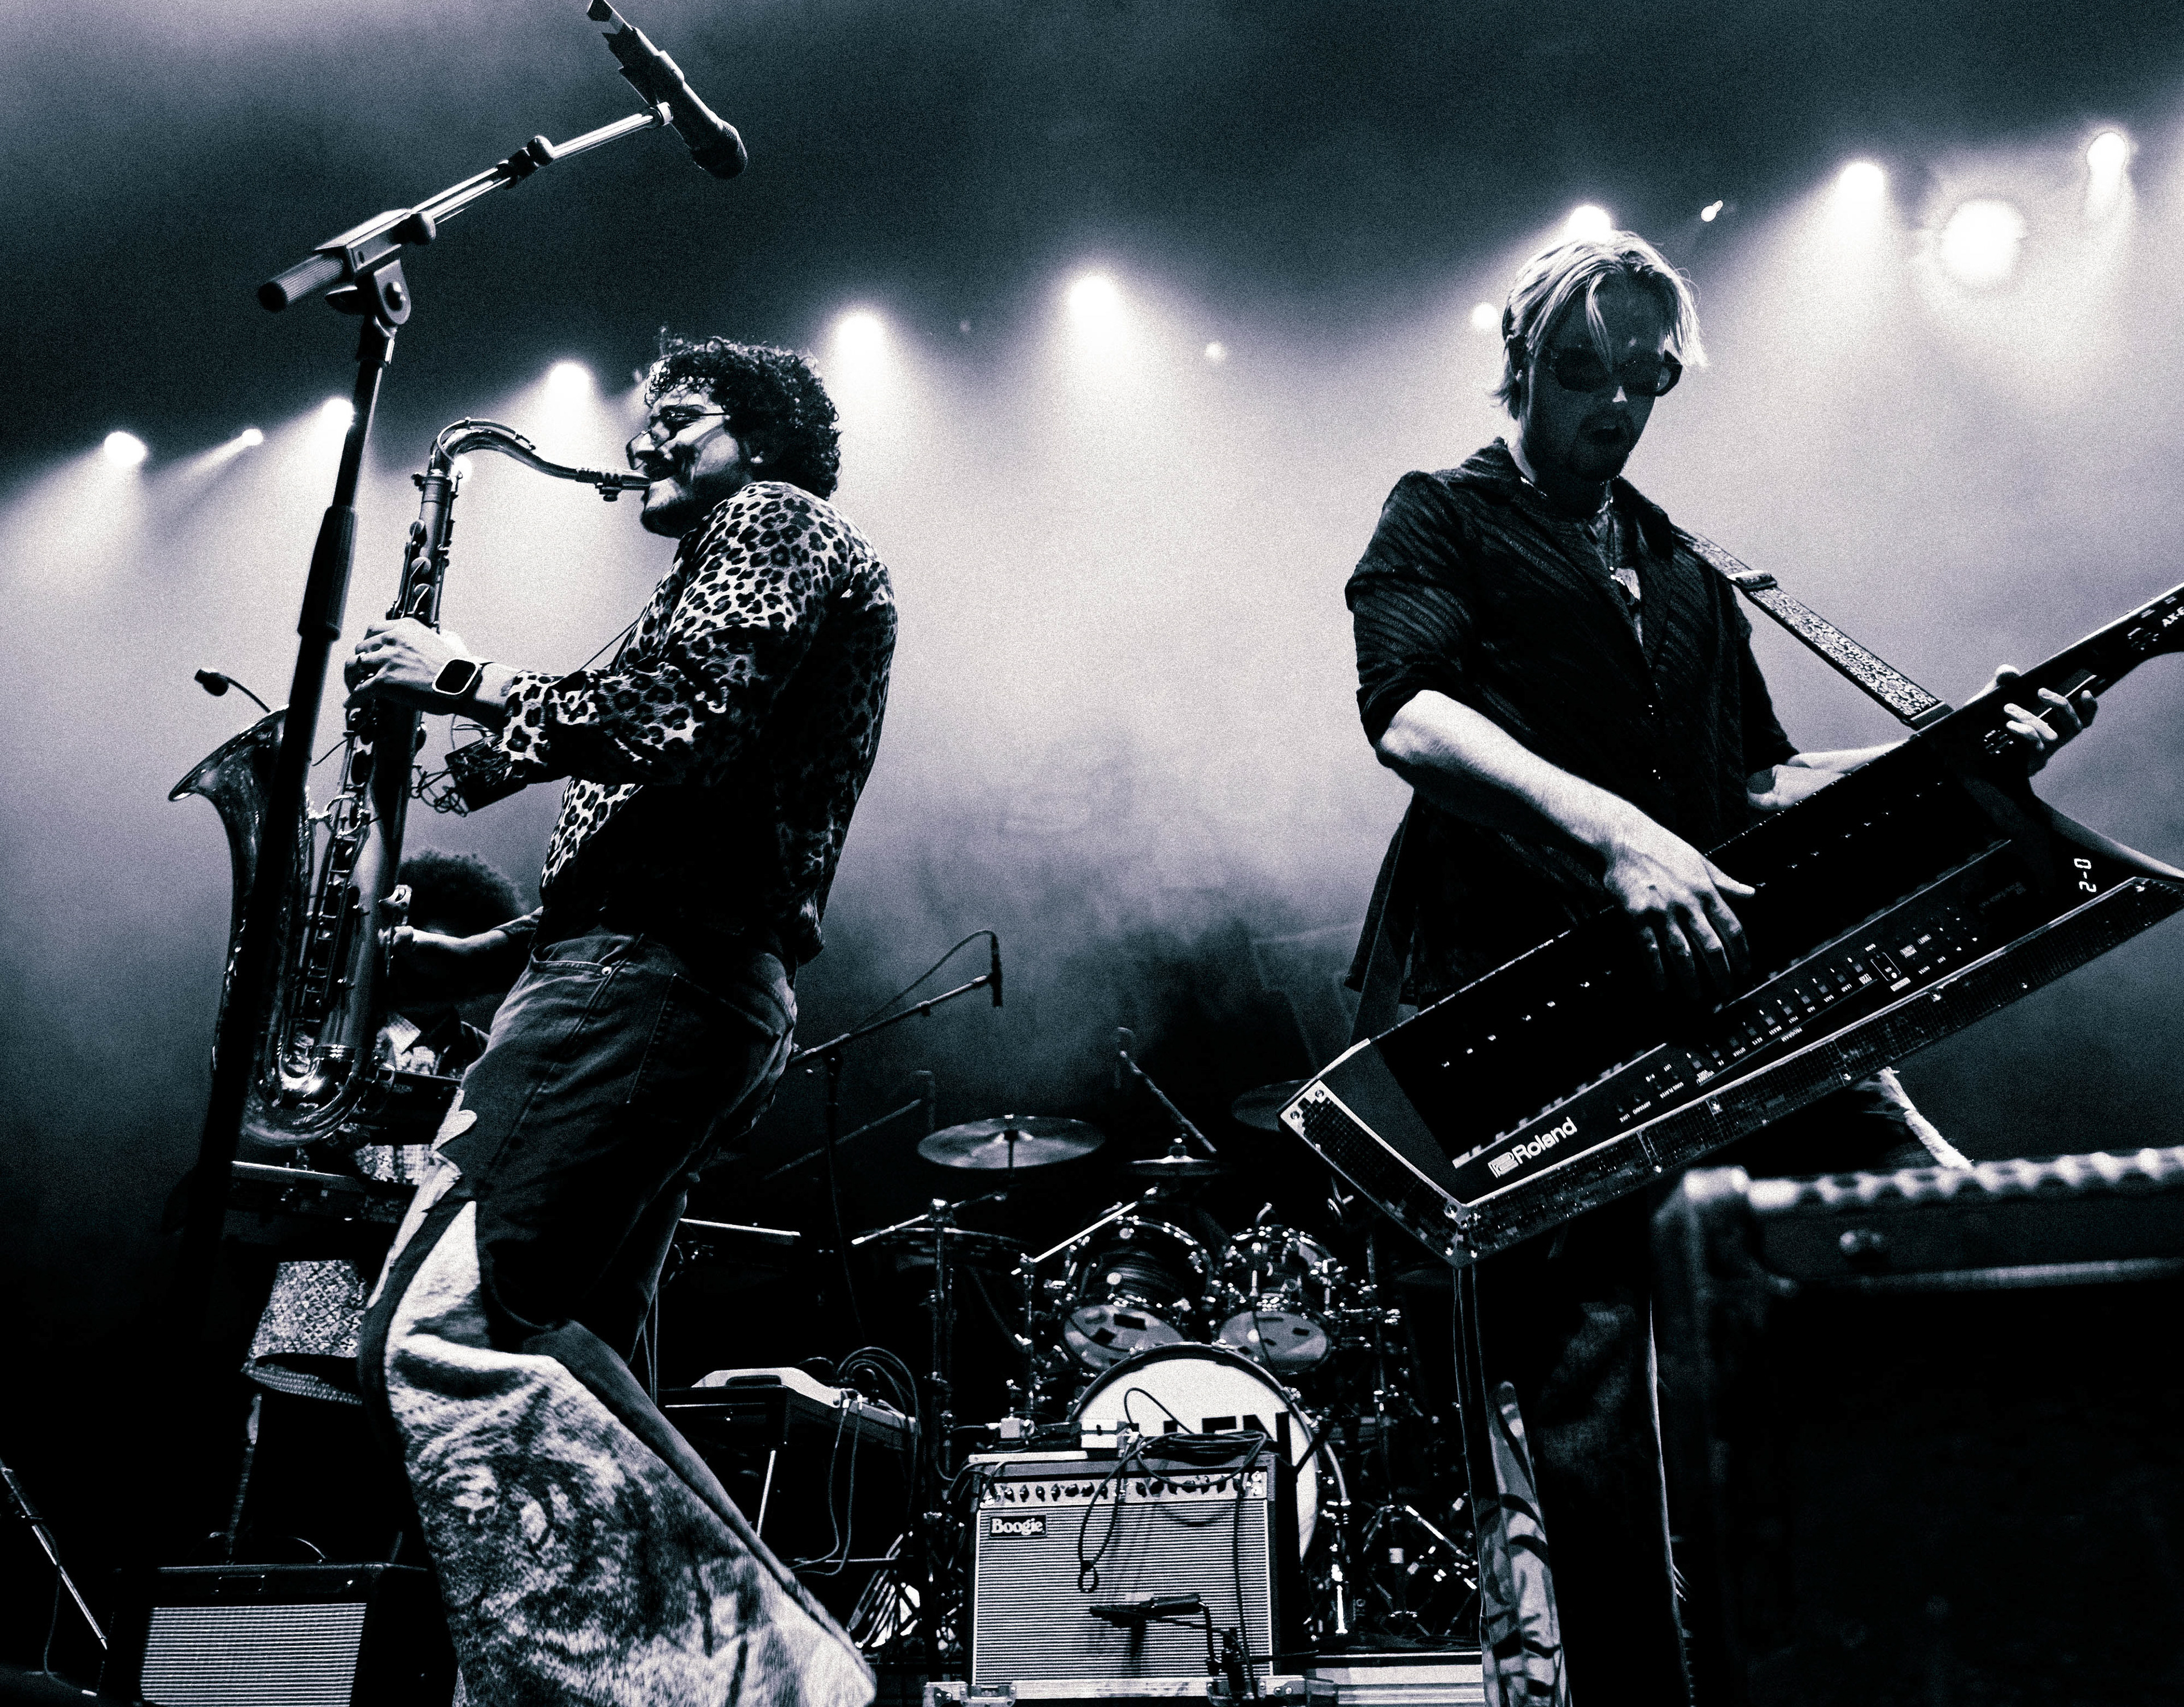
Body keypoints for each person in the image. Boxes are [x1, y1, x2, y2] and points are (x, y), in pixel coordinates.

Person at [1344, 233, 2095, 1705]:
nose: (1616, 405)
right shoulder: (1441, 512)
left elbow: (1756, 784)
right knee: (1595, 1414)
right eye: (1584, 371)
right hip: (1534, 1020)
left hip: (1715, 999)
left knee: (1955, 1237)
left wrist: (1962, 754)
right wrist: (1618, 837)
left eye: (1648, 378)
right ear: (1519, 359)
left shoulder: (1688, 563)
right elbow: (1408, 714)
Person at [344, 337, 895, 1707]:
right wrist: (481, 933)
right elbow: (641, 789)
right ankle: (658, 1682)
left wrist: (460, 677)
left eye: (682, 417)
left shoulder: (779, 521)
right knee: (558, 1349)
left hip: (651, 973)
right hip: (651, 969)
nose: (644, 439)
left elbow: (679, 720)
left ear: (763, 438)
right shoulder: (724, 563)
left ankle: (771, 1676)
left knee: (444, 1325)